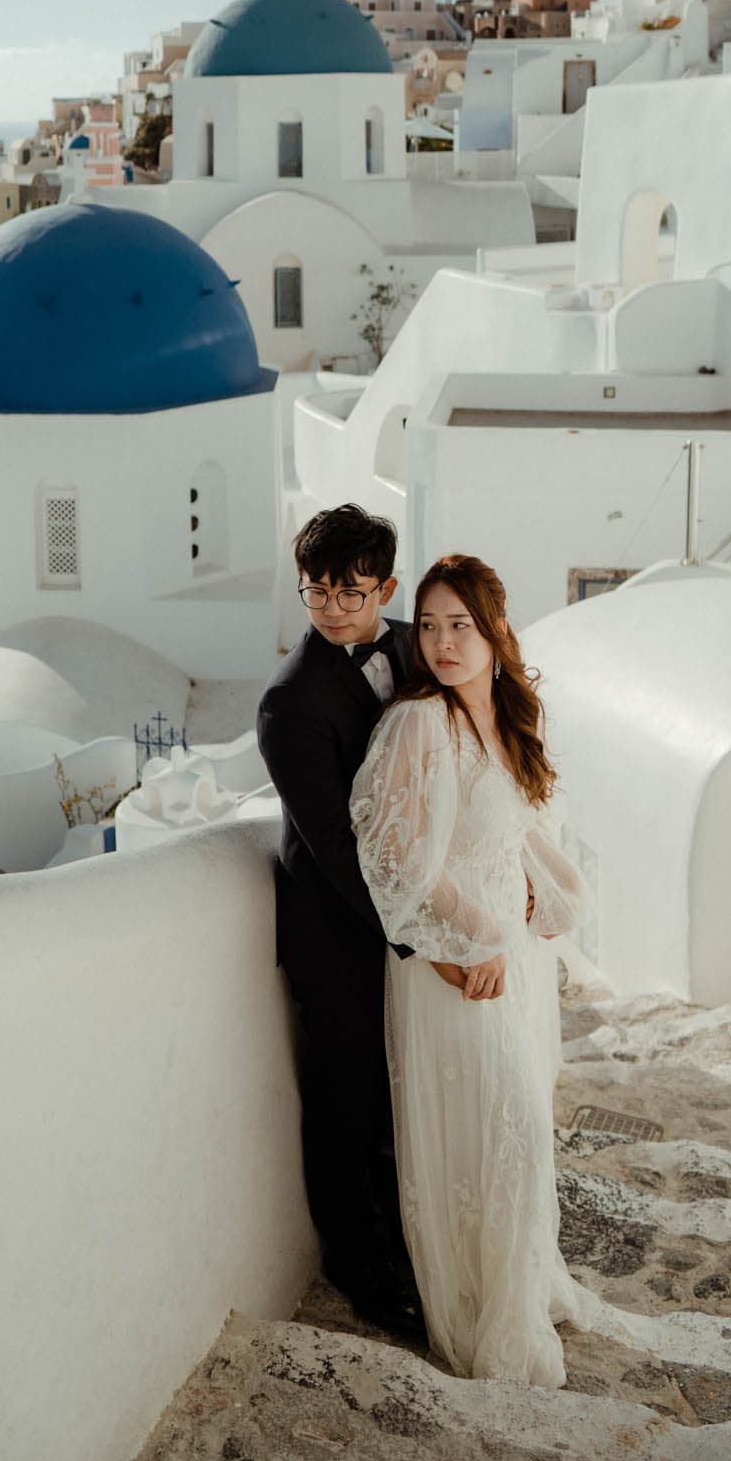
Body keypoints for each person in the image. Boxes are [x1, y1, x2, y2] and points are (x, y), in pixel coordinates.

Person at [349, 552, 590, 1384]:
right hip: (454, 961)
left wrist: (536, 896)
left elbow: (514, 828)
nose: (444, 644)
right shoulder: (422, 723)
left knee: (520, 1136)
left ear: (494, 631)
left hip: (509, 961)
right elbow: (397, 857)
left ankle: (516, 1287)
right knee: (504, 1129)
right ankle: (486, 1317)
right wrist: (470, 938)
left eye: (460, 625)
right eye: (428, 626)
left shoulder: (510, 717)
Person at [256, 504, 423, 1336]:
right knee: (345, 1097)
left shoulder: (409, 647)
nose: (328, 610)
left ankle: (408, 1241)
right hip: (334, 927)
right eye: (315, 593)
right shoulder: (289, 703)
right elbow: (329, 842)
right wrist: (411, 926)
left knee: (400, 1092)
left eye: (349, 595)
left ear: (386, 588)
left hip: (397, 910)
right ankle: (359, 1268)